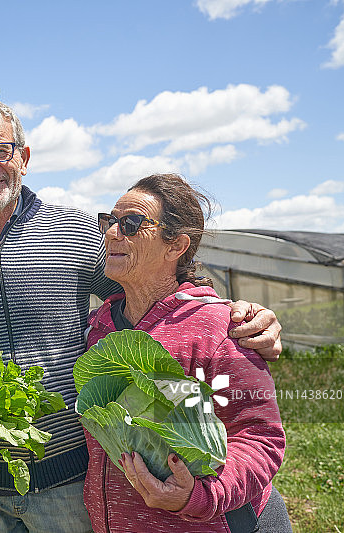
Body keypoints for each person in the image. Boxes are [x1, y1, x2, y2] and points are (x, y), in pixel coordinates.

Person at [0, 92, 283, 533]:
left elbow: (154, 287)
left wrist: (236, 316)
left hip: (73, 478)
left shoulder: (74, 231)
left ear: (23, 157)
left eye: (0, 150)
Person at [82, 173, 292, 532]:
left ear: (176, 246)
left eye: (132, 223)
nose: (113, 233)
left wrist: (198, 495)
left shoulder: (219, 327)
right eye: (110, 220)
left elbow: (260, 436)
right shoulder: (98, 327)